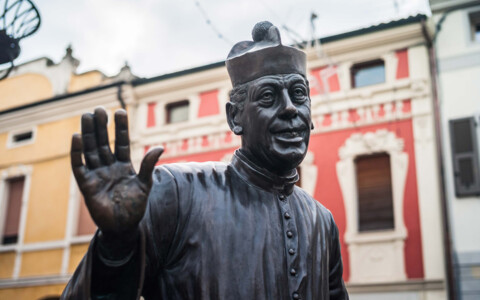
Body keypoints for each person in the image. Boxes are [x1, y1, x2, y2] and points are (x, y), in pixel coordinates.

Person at [62, 21, 349, 300]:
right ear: (235, 118)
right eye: (268, 96)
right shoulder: (174, 193)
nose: (289, 108)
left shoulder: (321, 222)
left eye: (299, 94)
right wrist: (116, 246)